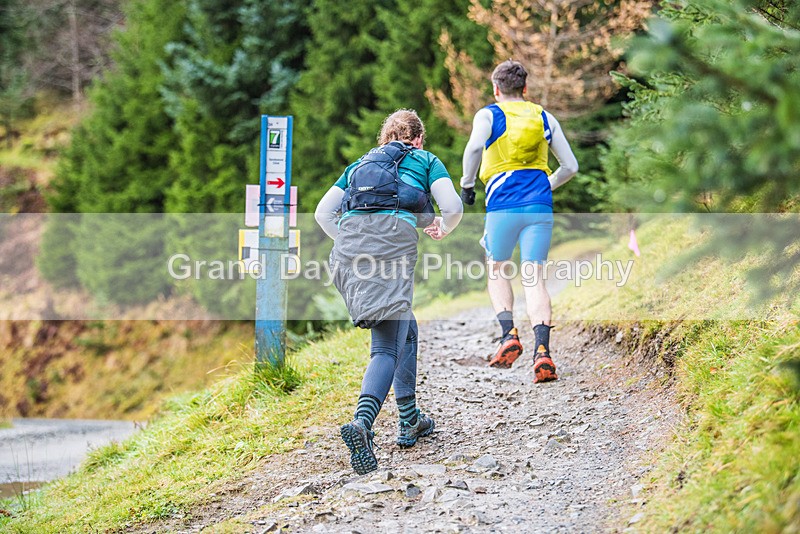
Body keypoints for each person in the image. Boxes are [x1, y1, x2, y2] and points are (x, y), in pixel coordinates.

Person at [315, 109, 463, 474]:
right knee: (385, 345)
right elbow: (453, 206)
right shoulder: (424, 160)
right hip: (391, 251)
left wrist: (354, 243)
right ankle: (362, 425)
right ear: (418, 139)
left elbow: (322, 213)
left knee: (405, 328)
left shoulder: (357, 166)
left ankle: (410, 418)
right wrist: (443, 227)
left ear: (386, 138)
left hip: (348, 252)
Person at [460, 60, 579, 383]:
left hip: (502, 207)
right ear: (525, 89)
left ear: (496, 89)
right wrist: (544, 186)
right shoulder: (543, 117)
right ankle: (543, 352)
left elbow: (473, 148)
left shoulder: (489, 115)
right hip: (539, 206)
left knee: (497, 268)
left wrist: (467, 185)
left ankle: (508, 334)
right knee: (534, 277)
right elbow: (570, 166)